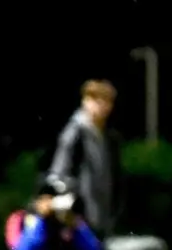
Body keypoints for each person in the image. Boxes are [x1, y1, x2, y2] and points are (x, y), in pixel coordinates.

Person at [49, 79, 123, 240]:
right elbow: (59, 172)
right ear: (86, 101)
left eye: (107, 102)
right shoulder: (76, 133)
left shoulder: (109, 137)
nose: (103, 107)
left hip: (103, 210)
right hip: (79, 212)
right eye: (98, 101)